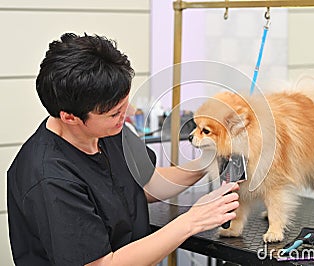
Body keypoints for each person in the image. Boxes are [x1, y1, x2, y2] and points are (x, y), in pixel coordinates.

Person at [7, 33, 239, 266]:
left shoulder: (109, 131)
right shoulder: (51, 179)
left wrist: (207, 161)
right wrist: (192, 221)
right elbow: (102, 264)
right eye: (114, 113)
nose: (124, 116)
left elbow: (146, 184)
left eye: (124, 104)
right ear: (69, 117)